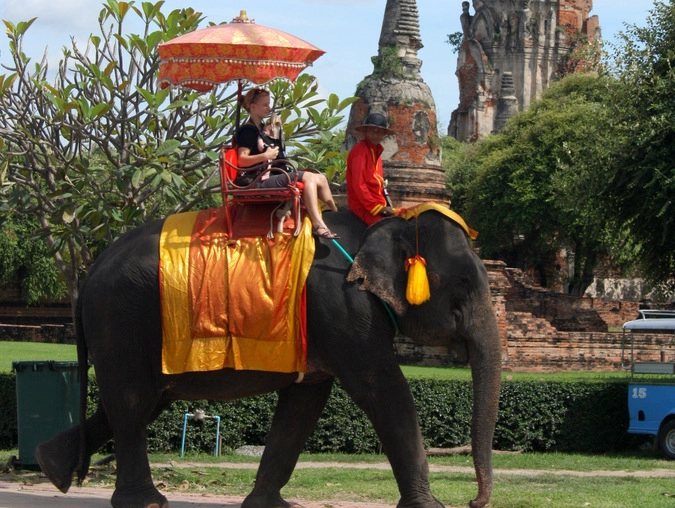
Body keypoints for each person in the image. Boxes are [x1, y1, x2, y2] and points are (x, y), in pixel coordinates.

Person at [235, 88, 339, 239]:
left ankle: (335, 215)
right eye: (265, 105)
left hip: (274, 174)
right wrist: (265, 155)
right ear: (253, 106)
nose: (269, 108)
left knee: (321, 178)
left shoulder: (262, 129)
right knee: (308, 177)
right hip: (259, 180)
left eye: (269, 104)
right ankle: (318, 225)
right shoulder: (248, 131)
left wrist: (275, 134)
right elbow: (241, 160)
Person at [346, 113, 396, 225]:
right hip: (364, 207)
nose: (375, 135)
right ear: (366, 131)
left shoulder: (377, 151)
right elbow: (359, 184)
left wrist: (385, 206)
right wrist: (377, 208)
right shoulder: (360, 151)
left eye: (379, 132)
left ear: (383, 134)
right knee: (387, 229)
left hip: (380, 204)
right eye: (372, 131)